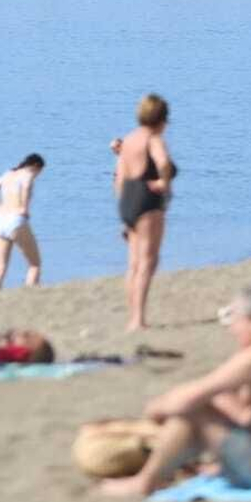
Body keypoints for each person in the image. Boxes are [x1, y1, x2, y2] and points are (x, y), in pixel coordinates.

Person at [99, 283, 251, 497]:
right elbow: (249, 415)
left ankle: (145, 482)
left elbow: (193, 396)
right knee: (216, 401)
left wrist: (155, 408)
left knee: (195, 413)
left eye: (234, 318)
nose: (231, 328)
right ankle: (184, 466)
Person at [113, 94, 176, 331]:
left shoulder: (128, 140)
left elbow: (119, 176)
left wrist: (123, 208)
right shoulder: (153, 138)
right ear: (161, 118)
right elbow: (164, 163)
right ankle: (138, 320)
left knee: (133, 263)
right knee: (148, 261)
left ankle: (133, 316)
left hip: (128, 198)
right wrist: (164, 183)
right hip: (147, 197)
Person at [0, 154, 44, 291]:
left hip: (0, 221)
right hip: (15, 220)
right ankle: (31, 297)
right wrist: (25, 207)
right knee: (35, 265)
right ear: (35, 166)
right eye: (39, 173)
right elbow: (27, 185)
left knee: (0, 267)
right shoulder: (27, 174)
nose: (37, 176)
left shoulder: (8, 174)